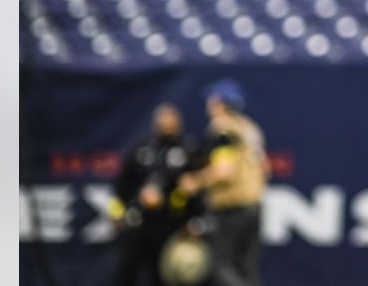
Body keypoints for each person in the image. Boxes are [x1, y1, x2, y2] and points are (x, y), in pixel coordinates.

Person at [179, 80, 267, 286]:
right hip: (254, 204)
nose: (209, 105)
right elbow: (265, 168)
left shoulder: (222, 128)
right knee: (246, 267)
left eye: (212, 100)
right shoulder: (249, 127)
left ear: (220, 103)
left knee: (220, 266)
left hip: (232, 207)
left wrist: (195, 182)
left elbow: (224, 171)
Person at [108, 104, 197, 286]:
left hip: (168, 225)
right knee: (127, 272)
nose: (166, 122)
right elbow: (122, 185)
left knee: (164, 275)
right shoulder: (140, 148)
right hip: (137, 222)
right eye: (162, 117)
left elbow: (192, 190)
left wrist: (180, 211)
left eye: (171, 118)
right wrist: (118, 213)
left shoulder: (188, 151)